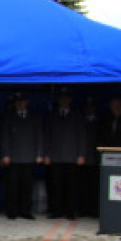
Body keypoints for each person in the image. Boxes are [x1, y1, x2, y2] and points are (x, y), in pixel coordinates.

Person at [43, 87, 86, 220]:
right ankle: (57, 211)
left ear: (70, 100)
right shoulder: (52, 115)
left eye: (66, 99)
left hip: (72, 156)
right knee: (56, 186)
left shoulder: (77, 115)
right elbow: (47, 136)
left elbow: (82, 136)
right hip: (55, 156)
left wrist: (81, 154)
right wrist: (46, 154)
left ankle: (70, 212)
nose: (64, 101)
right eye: (61, 99)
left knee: (71, 186)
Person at [1, 91, 43, 220]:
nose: (20, 104)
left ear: (27, 103)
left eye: (22, 102)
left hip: (29, 156)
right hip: (13, 157)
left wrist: (39, 153)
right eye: (18, 102)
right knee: (12, 186)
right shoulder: (9, 117)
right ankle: (12, 211)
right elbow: (5, 137)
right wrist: (5, 154)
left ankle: (25, 211)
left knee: (27, 186)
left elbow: (39, 136)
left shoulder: (34, 117)